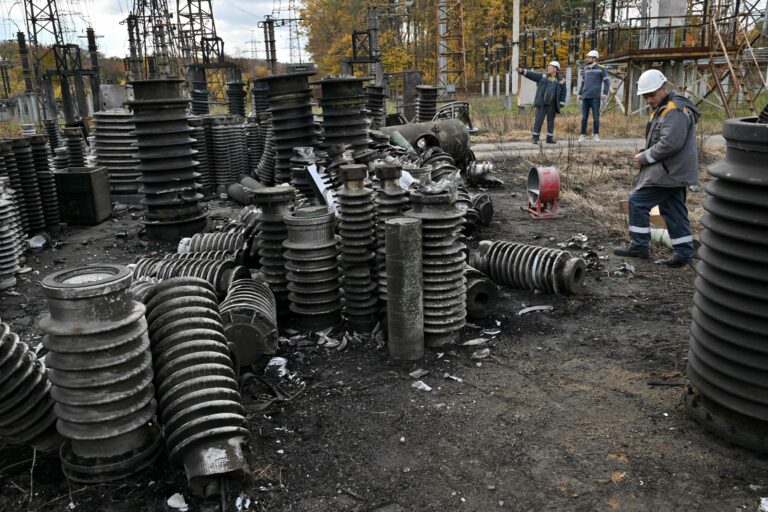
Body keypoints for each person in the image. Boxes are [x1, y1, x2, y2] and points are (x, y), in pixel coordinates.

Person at [613, 69, 700, 268]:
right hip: (673, 172)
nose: (648, 100)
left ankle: (639, 245)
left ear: (663, 88)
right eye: (645, 96)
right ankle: (684, 253)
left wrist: (645, 157)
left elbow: (670, 143)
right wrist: (647, 152)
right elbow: (662, 139)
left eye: (651, 95)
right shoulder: (666, 108)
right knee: (673, 211)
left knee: (637, 201)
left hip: (669, 172)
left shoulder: (674, 110)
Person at [516, 61, 566, 144]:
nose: (548, 69)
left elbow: (564, 92)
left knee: (551, 122)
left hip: (553, 105)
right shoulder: (542, 76)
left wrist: (562, 102)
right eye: (548, 67)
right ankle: (535, 138)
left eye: (550, 67)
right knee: (538, 121)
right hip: (542, 104)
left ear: (555, 69)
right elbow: (532, 74)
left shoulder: (561, 80)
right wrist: (522, 71)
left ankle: (549, 138)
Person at [577, 50, 610, 143]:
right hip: (585, 97)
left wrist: (605, 93)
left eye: (589, 57)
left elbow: (607, 82)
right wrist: (580, 94)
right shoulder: (585, 69)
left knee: (596, 117)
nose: (587, 59)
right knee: (584, 118)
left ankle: (596, 134)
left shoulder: (601, 69)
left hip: (595, 97)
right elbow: (582, 83)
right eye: (587, 57)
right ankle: (582, 135)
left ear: (595, 59)